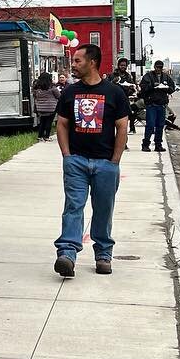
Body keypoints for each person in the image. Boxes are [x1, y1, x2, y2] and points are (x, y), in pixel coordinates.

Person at [53, 44, 129, 278]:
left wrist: (114, 161)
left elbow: (122, 127)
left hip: (105, 163)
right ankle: (67, 254)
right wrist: (67, 156)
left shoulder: (114, 92)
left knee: (103, 209)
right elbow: (62, 123)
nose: (73, 65)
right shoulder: (69, 92)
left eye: (77, 61)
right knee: (73, 206)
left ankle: (103, 254)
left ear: (92, 62)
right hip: (76, 161)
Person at [139, 60, 176, 152]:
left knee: (160, 125)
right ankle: (146, 144)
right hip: (151, 104)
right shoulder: (148, 76)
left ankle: (158, 144)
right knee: (150, 125)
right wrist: (152, 86)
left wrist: (166, 88)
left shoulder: (166, 77)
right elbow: (143, 87)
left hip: (162, 104)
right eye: (157, 67)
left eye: (160, 67)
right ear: (154, 67)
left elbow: (172, 88)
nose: (158, 69)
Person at [112, 57, 139, 146]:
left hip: (124, 102)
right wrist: (114, 82)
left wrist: (130, 88)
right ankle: (112, 143)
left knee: (123, 126)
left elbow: (133, 89)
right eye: (121, 65)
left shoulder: (129, 76)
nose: (123, 67)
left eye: (124, 65)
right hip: (113, 102)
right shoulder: (113, 75)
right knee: (111, 125)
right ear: (118, 65)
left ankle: (123, 143)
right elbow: (107, 86)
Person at [32, 71, 60, 141]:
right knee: (49, 122)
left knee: (42, 122)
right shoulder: (52, 87)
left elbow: (34, 96)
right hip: (51, 108)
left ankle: (40, 136)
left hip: (40, 108)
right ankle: (47, 136)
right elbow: (59, 96)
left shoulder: (36, 87)